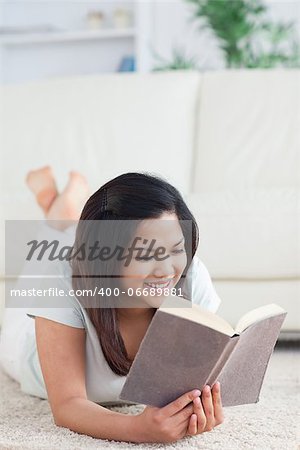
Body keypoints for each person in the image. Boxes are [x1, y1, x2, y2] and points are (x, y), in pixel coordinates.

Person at [0, 166, 224, 444]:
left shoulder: (191, 277)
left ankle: (62, 210)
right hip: (27, 348)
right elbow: (68, 404)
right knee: (45, 259)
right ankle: (58, 215)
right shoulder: (59, 278)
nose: (166, 270)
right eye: (146, 253)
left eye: (176, 249)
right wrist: (138, 429)